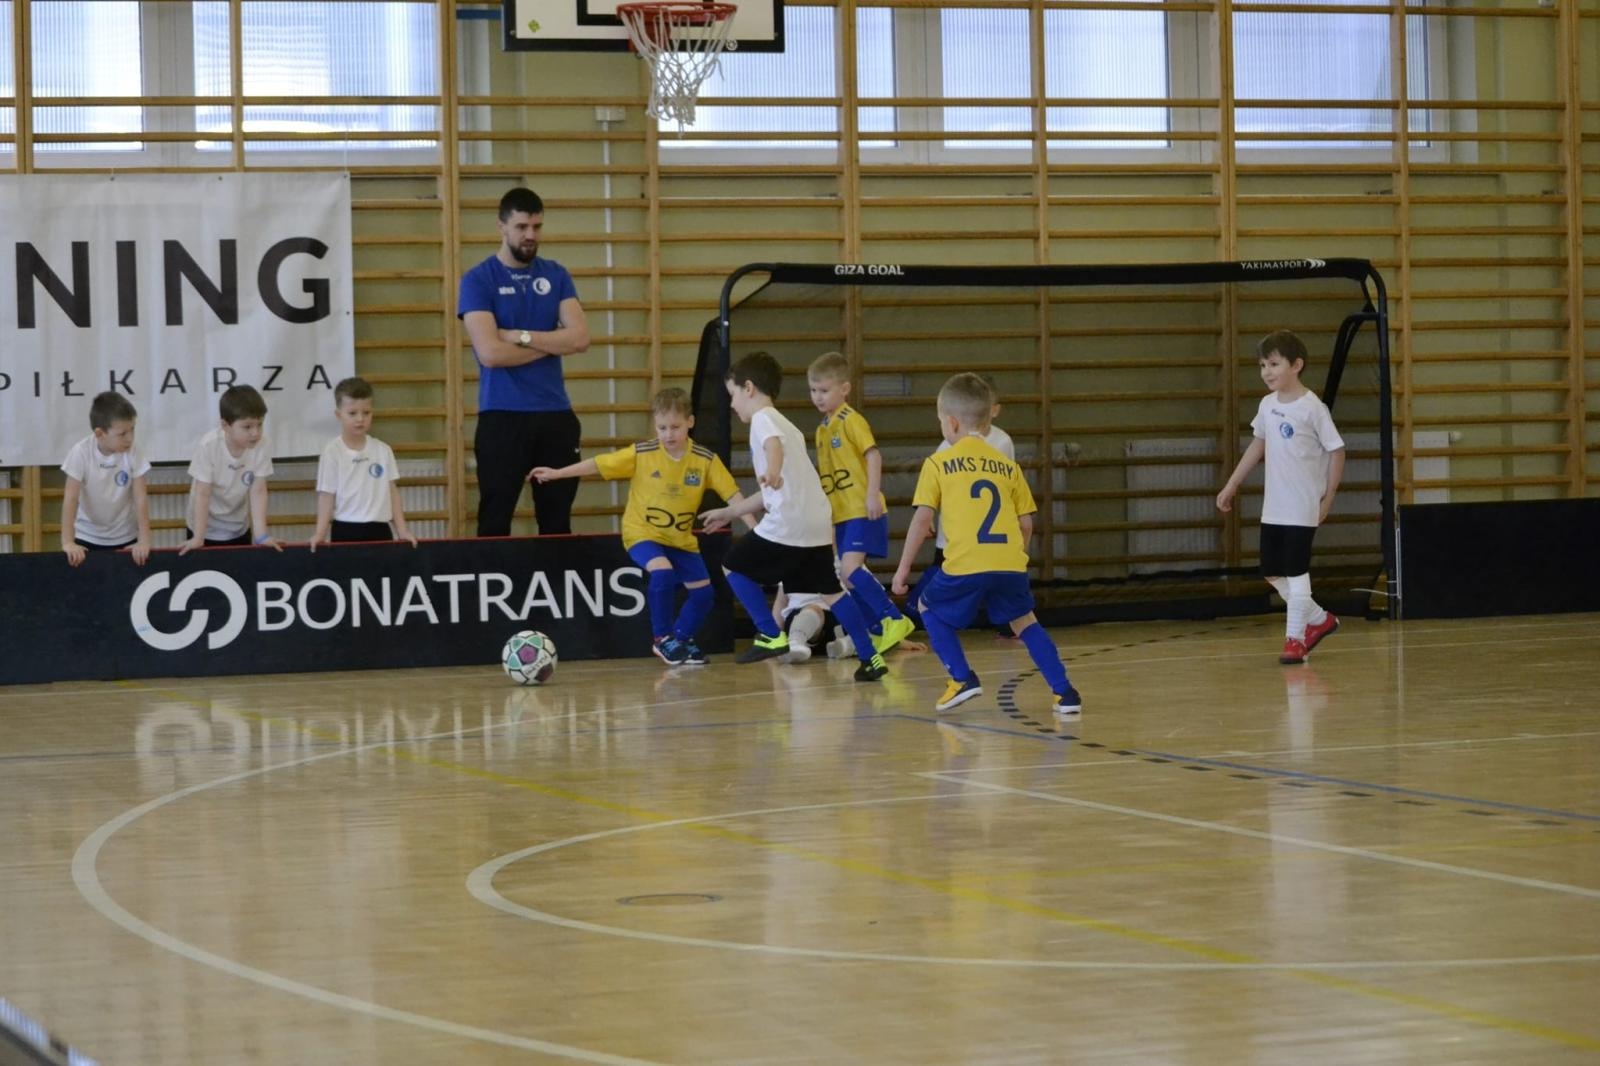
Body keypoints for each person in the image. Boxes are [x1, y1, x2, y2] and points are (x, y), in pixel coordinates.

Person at [891, 372, 1082, 716]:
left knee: (927, 608)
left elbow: (922, 522)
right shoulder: (1008, 467)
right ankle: (1065, 694)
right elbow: (1026, 523)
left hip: (966, 562)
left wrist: (902, 571)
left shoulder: (938, 463)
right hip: (1009, 563)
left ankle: (962, 679)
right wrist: (1017, 558)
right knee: (1026, 623)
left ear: (950, 423)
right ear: (987, 417)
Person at [697, 351, 889, 682]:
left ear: (748, 388)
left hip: (791, 521)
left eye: (732, 396)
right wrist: (730, 511)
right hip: (816, 522)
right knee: (831, 592)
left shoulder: (764, 419)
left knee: (731, 565)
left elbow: (773, 449)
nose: (732, 405)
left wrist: (771, 471)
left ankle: (769, 633)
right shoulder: (788, 425)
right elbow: (772, 489)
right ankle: (871, 658)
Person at [529, 387, 751, 666]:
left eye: (675, 427)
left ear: (690, 422)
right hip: (642, 533)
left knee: (704, 595)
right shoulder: (642, 453)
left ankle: (682, 639)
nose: (668, 434)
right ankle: (663, 639)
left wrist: (755, 528)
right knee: (662, 572)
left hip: (680, 539)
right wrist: (557, 473)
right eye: (662, 427)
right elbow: (598, 465)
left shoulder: (705, 460)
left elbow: (734, 496)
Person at [459, 186, 591, 536]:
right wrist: (553, 343)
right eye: (521, 227)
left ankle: (555, 590)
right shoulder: (478, 279)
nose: (530, 235)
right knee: (495, 517)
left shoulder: (556, 275)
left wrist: (520, 335)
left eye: (536, 227)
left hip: (555, 414)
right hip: (502, 416)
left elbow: (579, 338)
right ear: (502, 227)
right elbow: (490, 353)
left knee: (556, 520)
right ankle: (491, 589)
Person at [1216, 329, 1346, 665]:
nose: (1267, 372)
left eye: (1274, 363)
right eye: (1262, 365)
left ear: (1296, 365)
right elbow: (1258, 445)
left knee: (1297, 572)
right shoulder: (1267, 405)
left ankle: (1295, 640)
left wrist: (1328, 498)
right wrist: (1231, 485)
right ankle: (1320, 620)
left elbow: (1337, 450)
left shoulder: (1312, 408)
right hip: (1274, 506)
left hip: (1303, 507)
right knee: (1272, 572)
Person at [807, 351, 915, 654]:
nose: (818, 397)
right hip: (840, 514)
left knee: (852, 569)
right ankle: (879, 630)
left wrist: (871, 494)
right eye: (813, 390)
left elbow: (873, 455)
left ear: (844, 389)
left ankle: (894, 618)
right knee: (846, 576)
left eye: (824, 390)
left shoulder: (851, 420)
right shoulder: (821, 428)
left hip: (860, 509)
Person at [905, 372, 1015, 632]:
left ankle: (1004, 622)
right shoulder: (946, 446)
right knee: (943, 576)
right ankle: (913, 616)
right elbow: (935, 490)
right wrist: (930, 515)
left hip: (980, 536)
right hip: (953, 534)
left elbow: (1008, 485)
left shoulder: (1001, 442)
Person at [309, 377, 419, 550]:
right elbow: (326, 495)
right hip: (345, 529)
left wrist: (402, 530)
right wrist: (320, 533)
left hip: (380, 529)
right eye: (352, 413)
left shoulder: (383, 450)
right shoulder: (332, 452)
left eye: (366, 412)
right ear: (339, 415)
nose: (360, 419)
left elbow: (392, 492)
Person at [179, 385, 282, 554]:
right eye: (247, 427)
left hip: (238, 527)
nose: (255, 433)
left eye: (260, 424)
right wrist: (199, 537)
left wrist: (261, 535)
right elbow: (202, 493)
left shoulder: (262, 445)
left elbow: (258, 491)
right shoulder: (209, 445)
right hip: (204, 528)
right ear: (225, 426)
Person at [60, 391, 152, 567]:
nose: (130, 438)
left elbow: (140, 498)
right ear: (100, 433)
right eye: (122, 433)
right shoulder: (81, 452)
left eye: (132, 430)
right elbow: (71, 498)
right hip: (87, 536)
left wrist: (144, 540)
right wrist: (68, 542)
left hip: (125, 536)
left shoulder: (134, 451)